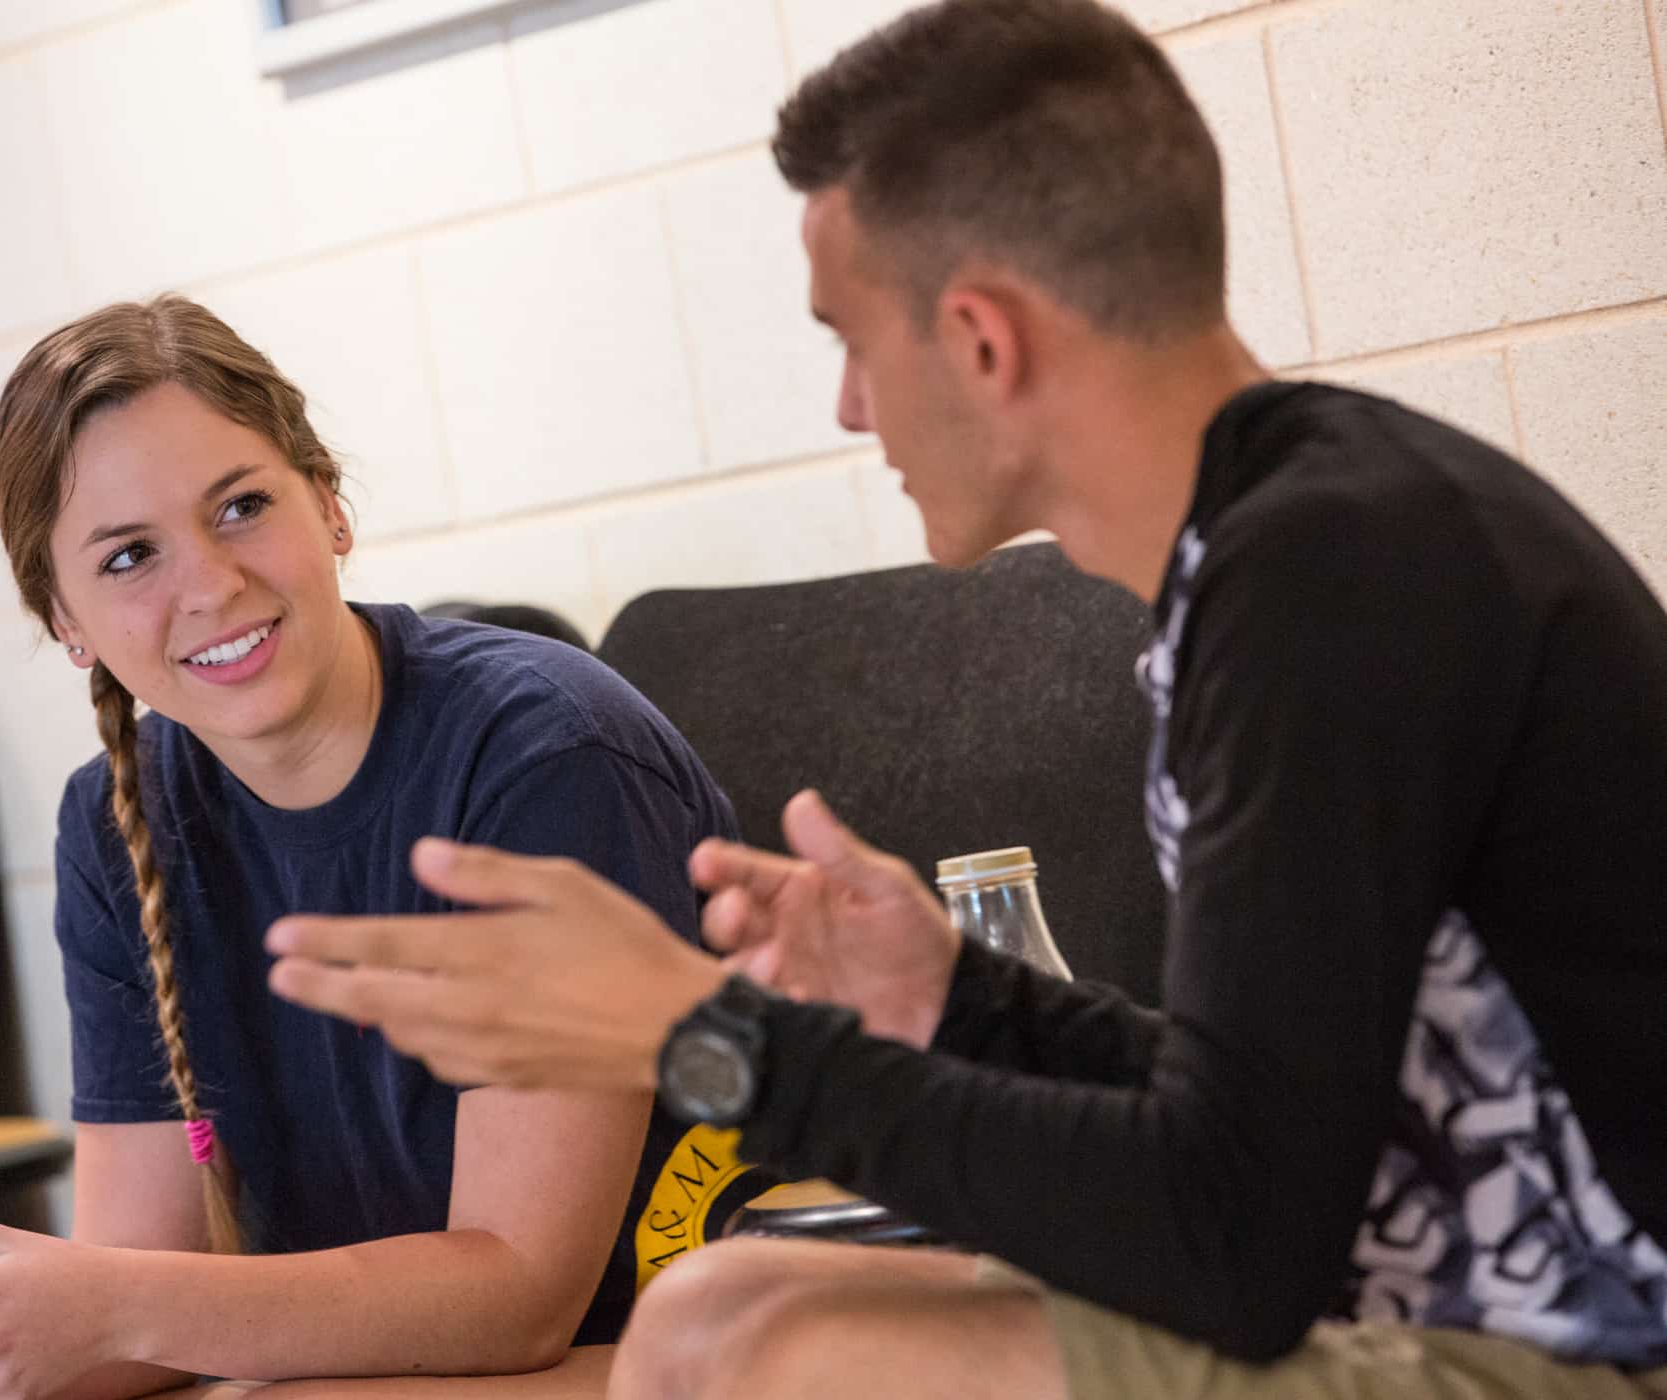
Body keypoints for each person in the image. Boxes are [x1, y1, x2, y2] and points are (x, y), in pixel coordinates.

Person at [262, 2, 1667, 1397]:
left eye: (852, 343)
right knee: (715, 1305)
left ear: (984, 343)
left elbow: (1237, 1238)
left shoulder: (1325, 580)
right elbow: (1273, 1115)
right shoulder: (1298, 538)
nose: (850, 410)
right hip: (1449, 1291)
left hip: (1603, 1354)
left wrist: (704, 1037)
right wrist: (956, 999)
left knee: (786, 1358)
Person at [0, 295, 740, 1398]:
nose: (208, 582)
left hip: (660, 1359)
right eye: (128, 556)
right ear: (63, 618)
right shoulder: (116, 821)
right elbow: (154, 1284)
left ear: (329, 504)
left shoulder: (542, 754)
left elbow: (522, 1291)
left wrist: (108, 1304)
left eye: (242, 505)